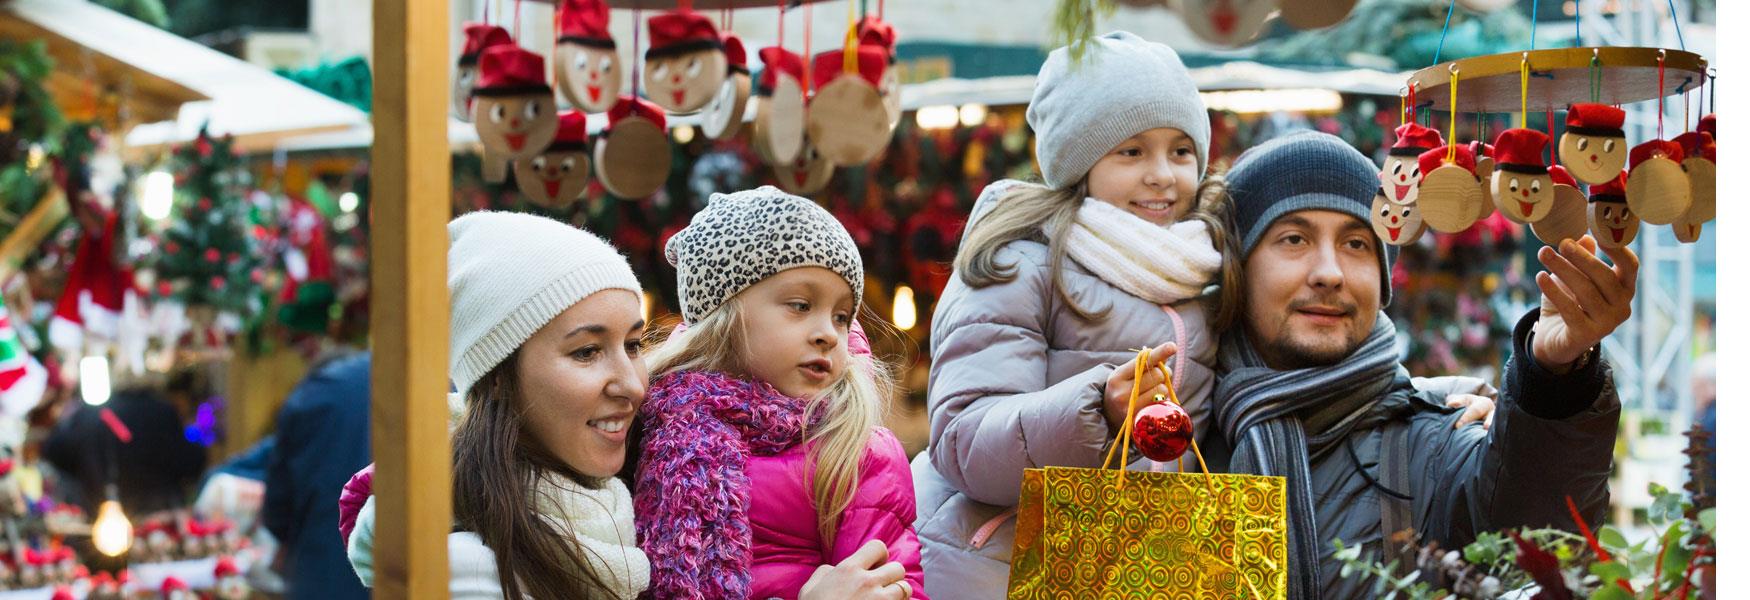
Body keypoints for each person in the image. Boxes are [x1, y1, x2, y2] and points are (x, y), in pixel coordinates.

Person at [906, 32, 1494, 598]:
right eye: (1131, 150)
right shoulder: (1023, 262)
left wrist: (1438, 399)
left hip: (1135, 563)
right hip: (1002, 564)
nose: (1162, 173)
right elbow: (961, 440)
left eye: (1180, 150)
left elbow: (1287, 380)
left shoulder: (1202, 272)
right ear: (1077, 162)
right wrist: (1099, 410)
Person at [341, 212, 913, 600]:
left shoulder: (613, 511)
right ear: (498, 379)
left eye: (634, 345)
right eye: (587, 351)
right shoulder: (468, 572)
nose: (634, 383)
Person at [1208, 131, 1630, 598]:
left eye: (1356, 244)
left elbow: (1533, 537)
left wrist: (1552, 376)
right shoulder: (1166, 435)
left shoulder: (1432, 441)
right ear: (1237, 269)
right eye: (1294, 238)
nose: (1329, 272)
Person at [635, 187, 926, 599]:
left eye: (842, 316)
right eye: (800, 305)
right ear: (726, 316)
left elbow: (894, 586)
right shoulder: (649, 429)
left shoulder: (853, 451)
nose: (829, 333)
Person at [263, 350, 370, 600]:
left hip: (322, 574)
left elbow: (278, 507)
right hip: (410, 575)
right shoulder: (431, 377)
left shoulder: (312, 396)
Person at [43, 385, 206, 516]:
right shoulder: (163, 412)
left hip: (102, 516)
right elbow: (191, 462)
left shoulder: (92, 415)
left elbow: (54, 450)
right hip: (159, 516)